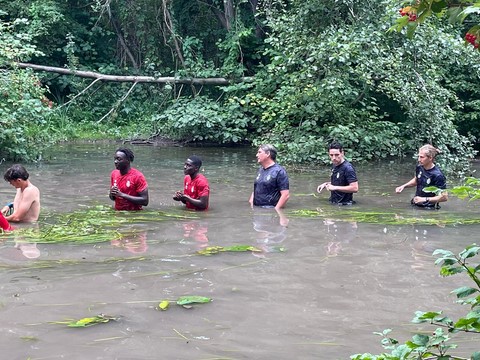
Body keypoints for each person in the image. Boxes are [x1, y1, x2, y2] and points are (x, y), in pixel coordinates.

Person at [395, 144, 447, 209]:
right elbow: (417, 180)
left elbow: (444, 197)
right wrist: (403, 186)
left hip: (429, 208)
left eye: (422, 157)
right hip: (416, 203)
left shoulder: (438, 175)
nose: (419, 160)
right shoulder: (420, 167)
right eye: (418, 157)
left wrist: (424, 199)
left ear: (430, 158)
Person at [249, 144, 290, 209]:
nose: (257, 155)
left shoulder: (279, 171)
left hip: (270, 210)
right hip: (257, 209)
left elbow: (285, 195)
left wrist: (276, 210)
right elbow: (257, 188)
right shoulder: (261, 169)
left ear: (268, 154)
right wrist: (251, 202)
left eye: (259, 152)